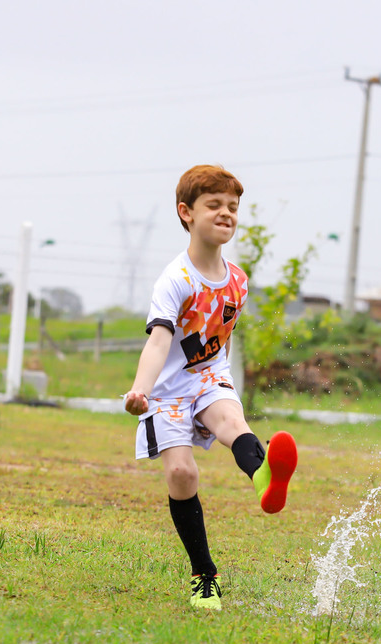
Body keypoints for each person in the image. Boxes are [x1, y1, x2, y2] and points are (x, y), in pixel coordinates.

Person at [124, 164, 297, 610]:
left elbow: (222, 335)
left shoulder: (238, 280)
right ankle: (205, 575)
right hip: (164, 390)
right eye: (214, 206)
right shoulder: (175, 280)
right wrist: (140, 391)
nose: (227, 214)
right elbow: (159, 341)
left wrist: (220, 382)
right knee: (182, 474)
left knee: (231, 421)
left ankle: (265, 479)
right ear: (186, 213)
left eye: (233, 207)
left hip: (209, 377)